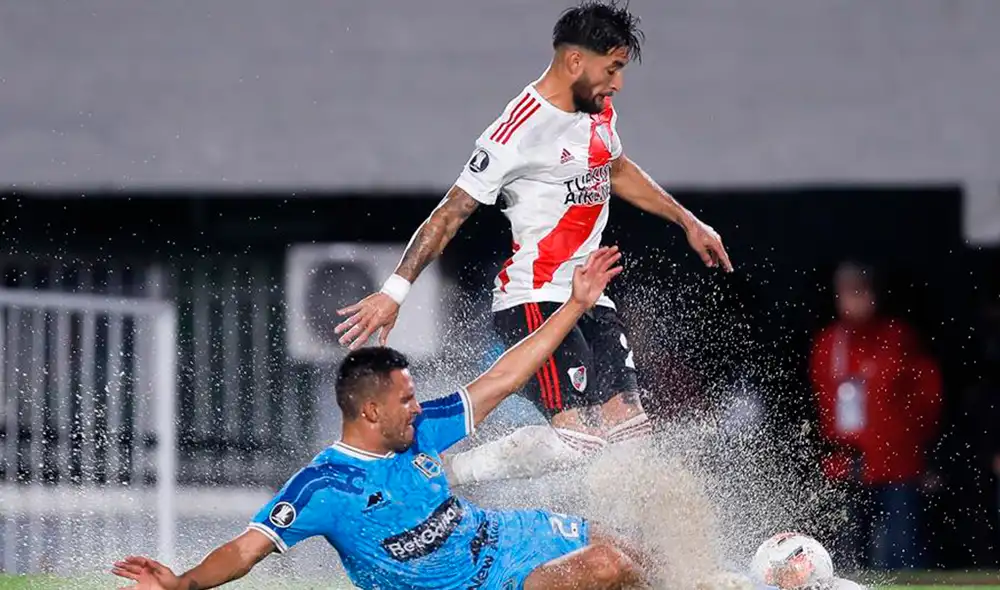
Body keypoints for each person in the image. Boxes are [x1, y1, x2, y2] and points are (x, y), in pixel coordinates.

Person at [334, 0, 733, 486]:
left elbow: (615, 167)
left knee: (633, 438)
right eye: (612, 69)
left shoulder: (598, 109)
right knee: (578, 442)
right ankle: (441, 473)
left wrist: (686, 219)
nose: (618, 84)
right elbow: (450, 213)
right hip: (535, 297)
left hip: (590, 296)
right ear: (574, 62)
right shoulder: (515, 131)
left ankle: (636, 555)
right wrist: (395, 290)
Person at [111, 247, 653, 590]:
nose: (418, 407)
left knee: (635, 551)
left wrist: (576, 305)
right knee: (608, 567)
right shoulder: (323, 486)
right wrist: (181, 585)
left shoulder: (420, 429)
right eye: (407, 399)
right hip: (472, 585)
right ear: (371, 411)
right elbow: (244, 550)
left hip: (509, 538)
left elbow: (505, 378)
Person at [809, 261, 942, 572]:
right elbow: (823, 407)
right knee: (848, 561)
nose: (854, 301)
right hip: (846, 465)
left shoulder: (898, 338)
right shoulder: (828, 344)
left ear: (873, 294)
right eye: (846, 293)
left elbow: (928, 398)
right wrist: (835, 453)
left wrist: (921, 450)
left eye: (860, 292)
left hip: (897, 466)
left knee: (902, 555)